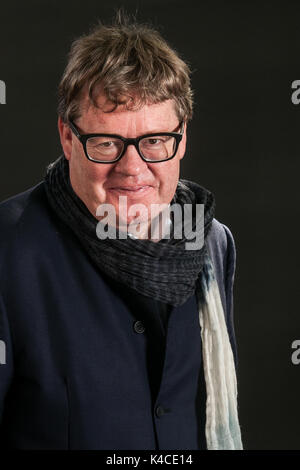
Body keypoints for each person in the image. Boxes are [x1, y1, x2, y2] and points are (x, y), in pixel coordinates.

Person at [0, 15, 242, 450]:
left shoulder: (211, 244)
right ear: (68, 138)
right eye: (107, 142)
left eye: (154, 141)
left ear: (182, 137)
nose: (132, 169)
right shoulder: (6, 249)